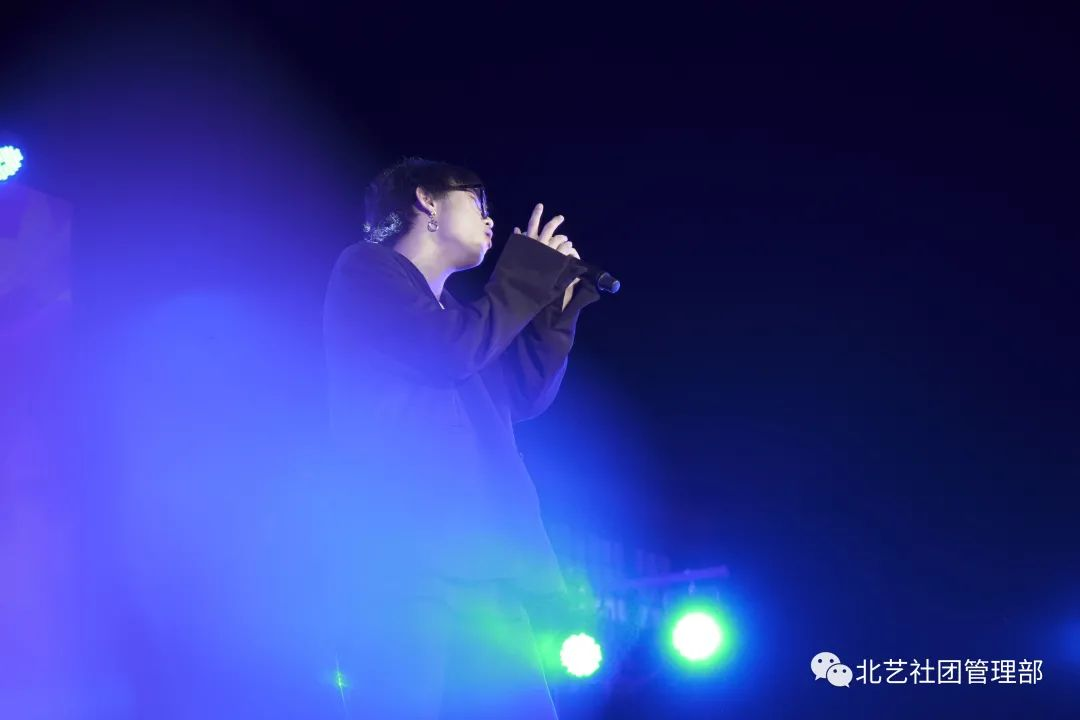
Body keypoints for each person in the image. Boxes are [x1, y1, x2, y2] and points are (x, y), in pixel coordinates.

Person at [319, 157, 602, 718]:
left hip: (486, 564)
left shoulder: (457, 316)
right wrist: (526, 272)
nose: (491, 220)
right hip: (408, 560)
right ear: (426, 199)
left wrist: (555, 309)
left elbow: (521, 395)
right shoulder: (366, 270)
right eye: (477, 202)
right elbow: (449, 349)